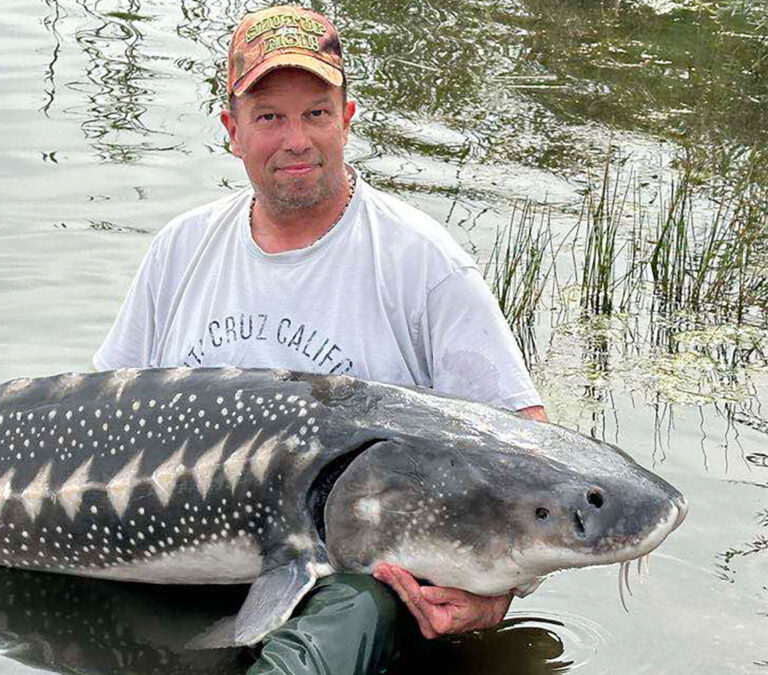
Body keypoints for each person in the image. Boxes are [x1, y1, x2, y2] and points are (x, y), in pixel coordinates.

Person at [94, 6, 547, 673]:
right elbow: (108, 412)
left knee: (350, 610)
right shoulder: (182, 248)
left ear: (348, 118)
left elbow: (527, 444)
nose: (296, 140)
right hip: (189, 550)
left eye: (315, 113)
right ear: (233, 130)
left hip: (346, 576)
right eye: (270, 116)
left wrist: (498, 594)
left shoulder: (420, 261)